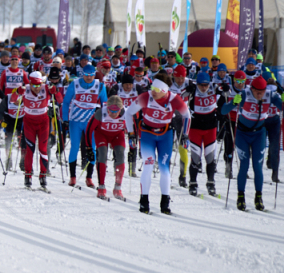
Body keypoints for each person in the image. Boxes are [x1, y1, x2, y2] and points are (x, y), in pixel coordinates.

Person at [124, 79, 191, 215]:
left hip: (165, 135)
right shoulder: (145, 97)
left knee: (164, 168)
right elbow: (128, 113)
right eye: (152, 89)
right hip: (148, 135)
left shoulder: (174, 99)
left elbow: (187, 115)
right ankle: (144, 201)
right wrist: (131, 134)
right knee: (148, 165)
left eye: (157, 91)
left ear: (164, 92)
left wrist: (185, 134)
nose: (153, 92)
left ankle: (165, 203)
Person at [221, 75, 283, 211]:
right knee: (244, 165)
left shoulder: (270, 95)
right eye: (257, 91)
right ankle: (241, 196)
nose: (260, 94)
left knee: (257, 166)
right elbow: (223, 110)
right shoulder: (244, 93)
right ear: (252, 89)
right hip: (242, 134)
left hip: (259, 134)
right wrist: (233, 103)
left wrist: (282, 98)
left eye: (262, 91)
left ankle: (258, 197)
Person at [61, 64, 106, 187]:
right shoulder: (75, 84)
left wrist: (104, 121)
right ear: (83, 74)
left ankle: (89, 177)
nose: (89, 78)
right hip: (75, 121)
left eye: (91, 75)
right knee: (75, 148)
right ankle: (73, 177)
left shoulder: (100, 86)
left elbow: (105, 105)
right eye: (86, 75)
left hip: (91, 123)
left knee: (91, 148)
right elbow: (66, 102)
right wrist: (65, 119)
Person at [185, 70, 221, 197]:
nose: (204, 88)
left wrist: (227, 88)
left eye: (206, 85)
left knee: (210, 157)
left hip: (210, 128)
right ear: (197, 83)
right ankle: (193, 183)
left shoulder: (214, 87)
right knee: (196, 157)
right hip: (195, 128)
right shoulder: (193, 89)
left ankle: (211, 183)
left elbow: (227, 90)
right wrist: (187, 90)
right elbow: (180, 97)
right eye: (201, 85)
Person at [88, 93, 127, 200]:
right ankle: (101, 187)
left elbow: (133, 129)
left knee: (120, 157)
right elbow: (89, 129)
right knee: (102, 155)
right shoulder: (100, 113)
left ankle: (117, 188)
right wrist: (88, 148)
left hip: (117, 135)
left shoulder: (126, 113)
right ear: (107, 108)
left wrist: (134, 143)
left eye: (116, 111)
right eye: (110, 110)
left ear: (121, 109)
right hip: (102, 135)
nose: (113, 113)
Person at [19, 71, 51, 190]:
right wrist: (18, 92)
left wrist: (54, 90)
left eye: (39, 85)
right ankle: (28, 175)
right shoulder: (25, 89)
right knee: (30, 149)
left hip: (43, 123)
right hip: (29, 123)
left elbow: (59, 97)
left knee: (43, 149)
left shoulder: (46, 88)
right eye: (35, 85)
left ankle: (43, 175)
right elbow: (12, 99)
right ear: (30, 83)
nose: (37, 88)